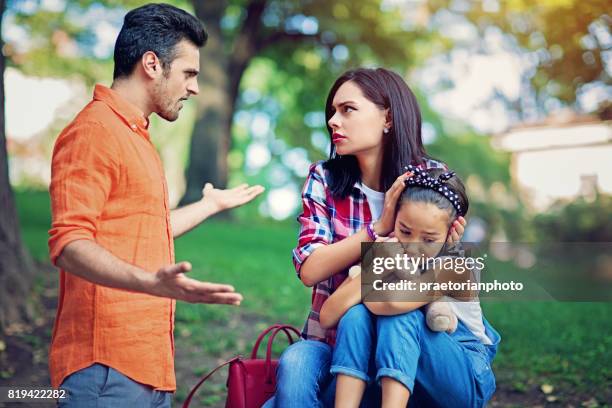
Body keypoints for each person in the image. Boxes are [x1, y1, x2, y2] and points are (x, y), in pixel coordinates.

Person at [47, 4, 263, 407]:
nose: (194, 88)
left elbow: (145, 227)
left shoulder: (135, 135)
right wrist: (150, 283)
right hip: (105, 368)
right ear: (151, 64)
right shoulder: (94, 131)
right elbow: (69, 243)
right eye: (189, 73)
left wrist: (208, 206)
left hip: (148, 365)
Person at [264, 68, 466, 407]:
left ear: (387, 117)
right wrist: (376, 229)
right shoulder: (324, 179)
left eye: (347, 109)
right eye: (331, 111)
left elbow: (452, 271)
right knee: (296, 363)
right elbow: (311, 269)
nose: (332, 121)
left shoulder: (431, 181)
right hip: (332, 342)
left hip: (408, 337)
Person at [322, 167, 501, 407]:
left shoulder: (455, 267)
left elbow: (390, 303)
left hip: (462, 376)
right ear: (394, 219)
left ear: (451, 232)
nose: (412, 247)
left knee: (399, 316)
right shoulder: (383, 251)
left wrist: (369, 279)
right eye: (405, 231)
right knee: (355, 316)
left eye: (428, 239)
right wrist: (376, 266)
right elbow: (328, 315)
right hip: (402, 374)